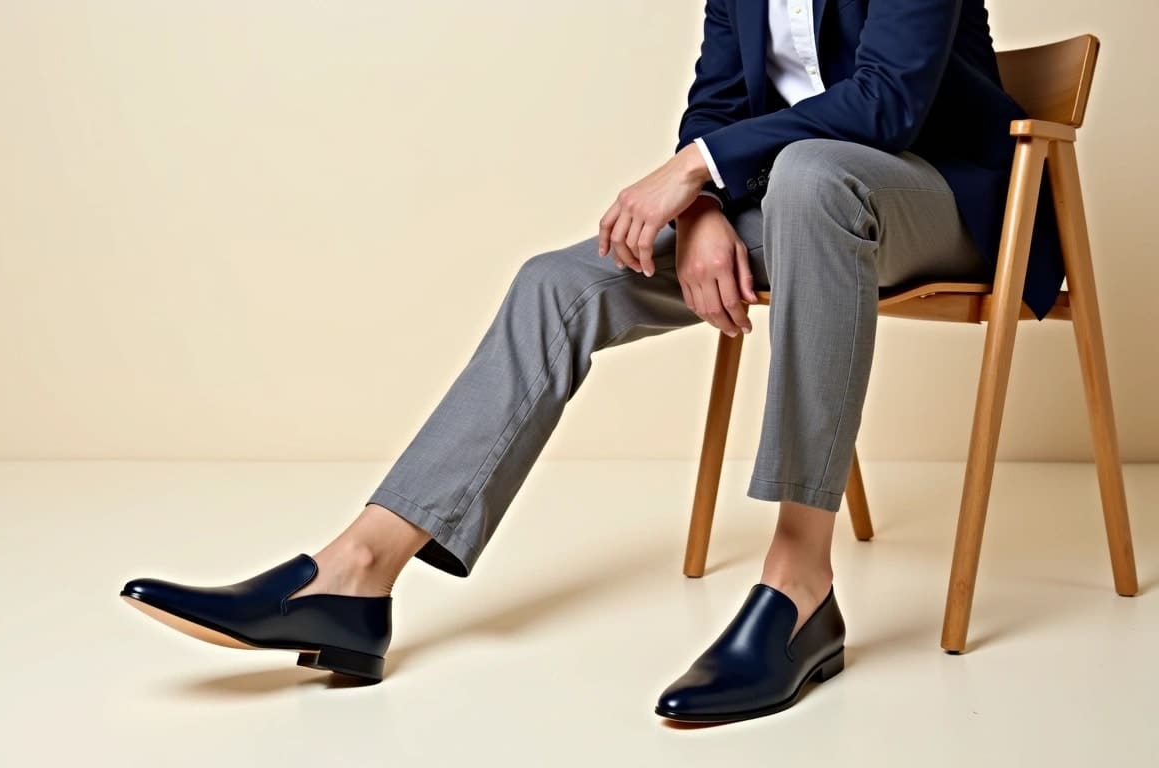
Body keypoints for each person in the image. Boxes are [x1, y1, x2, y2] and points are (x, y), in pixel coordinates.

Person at [119, 0, 1065, 724]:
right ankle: (355, 577)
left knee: (812, 181)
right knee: (556, 280)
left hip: (940, 202)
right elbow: (718, 99)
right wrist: (697, 217)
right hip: (787, 206)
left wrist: (695, 172)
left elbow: (887, 102)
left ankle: (799, 583)